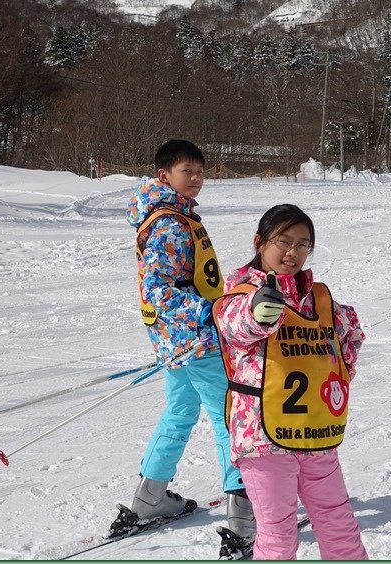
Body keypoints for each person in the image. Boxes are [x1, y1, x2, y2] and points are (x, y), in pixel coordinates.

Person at [116, 139, 255, 553]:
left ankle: (150, 498)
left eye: (199, 172)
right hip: (195, 339)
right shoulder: (169, 223)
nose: (195, 180)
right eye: (186, 172)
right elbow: (159, 290)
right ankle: (246, 516)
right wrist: (211, 313)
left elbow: (189, 277)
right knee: (228, 415)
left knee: (180, 411)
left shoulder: (175, 214)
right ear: (164, 176)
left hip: (177, 340)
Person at [212, 204, 368, 560]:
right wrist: (258, 313)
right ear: (259, 242)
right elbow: (235, 324)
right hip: (262, 436)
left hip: (314, 429)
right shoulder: (239, 295)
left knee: (337, 520)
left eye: (303, 244)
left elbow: (350, 334)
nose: (292, 252)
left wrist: (335, 378)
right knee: (278, 531)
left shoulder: (319, 299)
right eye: (283, 241)